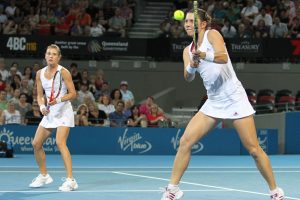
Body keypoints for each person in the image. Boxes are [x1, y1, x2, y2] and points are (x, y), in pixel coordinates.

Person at [161, 9, 284, 200]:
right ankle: (173, 189)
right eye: (185, 21)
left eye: (192, 20)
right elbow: (188, 77)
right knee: (185, 141)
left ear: (202, 24)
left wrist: (203, 55)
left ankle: (275, 191)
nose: (186, 23)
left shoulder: (213, 34)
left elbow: (222, 57)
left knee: (253, 149)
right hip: (214, 101)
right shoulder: (187, 50)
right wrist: (192, 64)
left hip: (234, 97)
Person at [29, 44, 78, 192]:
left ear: (59, 57)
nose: (51, 56)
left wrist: (58, 100)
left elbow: (73, 94)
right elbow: (39, 95)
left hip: (63, 110)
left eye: (54, 54)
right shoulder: (39, 73)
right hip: (50, 112)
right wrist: (42, 107)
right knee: (36, 143)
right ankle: (44, 175)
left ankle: (71, 180)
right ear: (45, 56)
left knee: (60, 142)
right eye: (49, 53)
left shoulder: (64, 72)